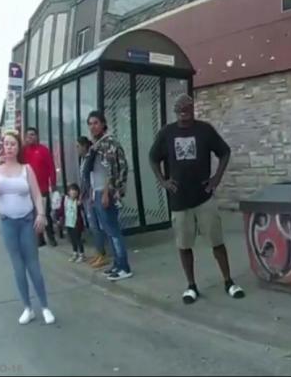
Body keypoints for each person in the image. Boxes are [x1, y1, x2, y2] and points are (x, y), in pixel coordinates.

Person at [149, 94, 245, 303]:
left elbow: (224, 152)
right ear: (175, 111)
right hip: (179, 200)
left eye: (187, 106)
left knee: (217, 242)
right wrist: (163, 182)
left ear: (193, 108)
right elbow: (153, 157)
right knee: (184, 245)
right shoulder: (167, 133)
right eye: (179, 107)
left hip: (204, 198)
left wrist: (216, 178)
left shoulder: (205, 130)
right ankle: (191, 286)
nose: (183, 110)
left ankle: (229, 281)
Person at [0, 131, 56, 325]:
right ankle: (28, 308)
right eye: (6, 144)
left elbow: (36, 194)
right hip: (8, 223)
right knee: (18, 267)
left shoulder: (26, 169)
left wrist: (41, 214)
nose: (9, 147)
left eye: (12, 144)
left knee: (33, 265)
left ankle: (44, 306)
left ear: (18, 148)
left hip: (26, 221)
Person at [88, 110, 133, 281]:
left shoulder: (109, 143)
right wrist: (93, 192)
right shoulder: (97, 144)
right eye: (90, 123)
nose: (93, 127)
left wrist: (108, 193)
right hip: (98, 191)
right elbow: (95, 172)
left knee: (114, 231)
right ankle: (116, 264)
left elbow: (111, 171)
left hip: (107, 193)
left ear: (103, 124)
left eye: (96, 123)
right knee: (108, 230)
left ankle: (124, 267)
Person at [78, 136, 110, 269]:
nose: (77, 149)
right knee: (93, 226)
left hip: (92, 194)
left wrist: (89, 194)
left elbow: (91, 178)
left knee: (96, 225)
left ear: (85, 146)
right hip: (86, 195)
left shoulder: (92, 158)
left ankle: (102, 254)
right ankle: (99, 252)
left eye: (78, 146)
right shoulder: (84, 159)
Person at [23, 127, 57, 247]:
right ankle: (40, 238)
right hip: (28, 189)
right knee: (33, 214)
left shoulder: (43, 150)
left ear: (37, 136)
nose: (30, 137)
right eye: (28, 135)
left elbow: (51, 167)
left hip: (42, 189)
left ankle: (51, 237)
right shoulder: (24, 151)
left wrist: (53, 183)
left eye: (32, 135)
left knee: (45, 213)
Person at [64, 183, 86, 263]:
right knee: (72, 239)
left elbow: (82, 211)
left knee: (78, 239)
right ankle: (75, 253)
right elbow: (63, 210)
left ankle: (82, 254)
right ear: (68, 192)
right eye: (71, 191)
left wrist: (80, 204)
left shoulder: (78, 202)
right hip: (69, 222)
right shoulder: (66, 200)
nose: (73, 193)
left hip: (76, 223)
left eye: (75, 192)